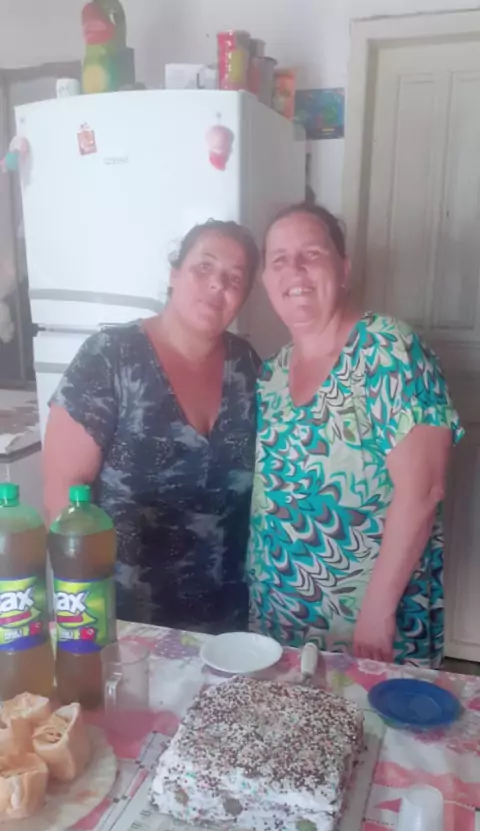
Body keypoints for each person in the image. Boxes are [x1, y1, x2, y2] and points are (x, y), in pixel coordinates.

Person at [248, 203, 463, 667]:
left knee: (370, 715)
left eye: (311, 254)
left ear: (343, 269)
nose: (295, 270)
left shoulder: (389, 350)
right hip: (279, 613)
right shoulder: (273, 372)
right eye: (279, 259)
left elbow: (423, 490)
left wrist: (377, 614)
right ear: (265, 279)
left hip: (369, 623)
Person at [44, 220, 260, 633]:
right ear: (175, 273)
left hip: (227, 625)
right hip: (125, 621)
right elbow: (63, 499)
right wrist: (81, 615)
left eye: (234, 278)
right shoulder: (109, 357)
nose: (218, 284)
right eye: (204, 267)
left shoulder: (247, 365)